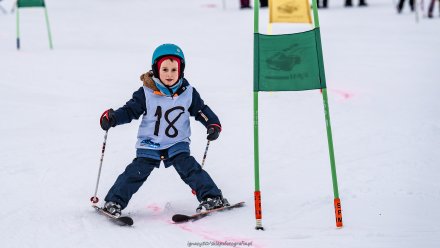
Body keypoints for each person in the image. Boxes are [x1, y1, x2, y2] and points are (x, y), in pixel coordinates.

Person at [99, 43, 229, 217]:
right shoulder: (146, 93)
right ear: (156, 69)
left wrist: (212, 124)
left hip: (177, 143)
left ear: (181, 70)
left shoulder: (188, 93)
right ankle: (114, 202)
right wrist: (114, 118)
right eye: (165, 69)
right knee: (135, 173)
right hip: (150, 143)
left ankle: (212, 197)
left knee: (190, 169)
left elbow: (201, 111)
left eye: (174, 70)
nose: (169, 74)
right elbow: (130, 111)